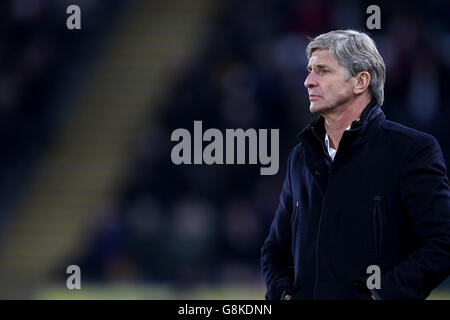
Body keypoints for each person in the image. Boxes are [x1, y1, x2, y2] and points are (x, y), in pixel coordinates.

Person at [260, 30, 450, 300]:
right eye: (310, 70)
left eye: (323, 71)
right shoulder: (300, 158)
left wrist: (382, 296)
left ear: (360, 82)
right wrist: (283, 295)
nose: (307, 82)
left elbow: (442, 244)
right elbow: (275, 250)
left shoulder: (411, 151)